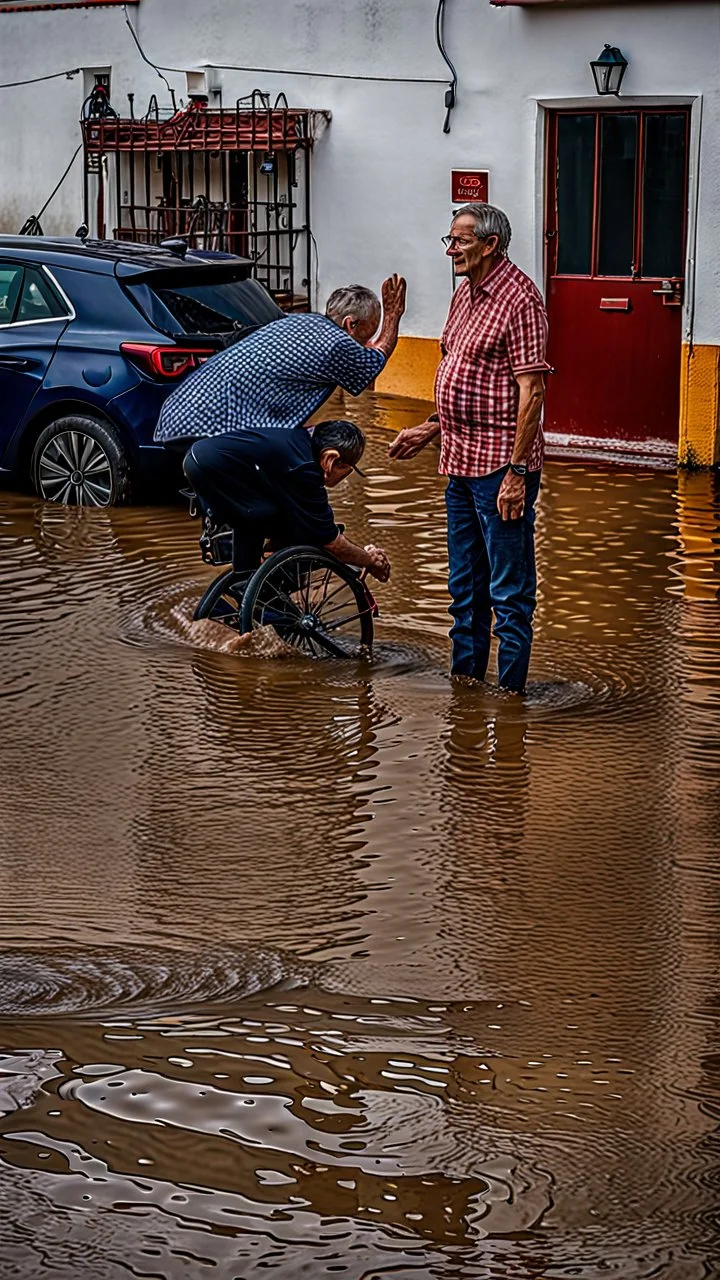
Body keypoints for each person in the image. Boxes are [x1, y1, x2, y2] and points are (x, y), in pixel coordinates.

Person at [388, 203, 551, 693]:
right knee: (465, 591)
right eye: (450, 240)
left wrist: (517, 475)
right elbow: (466, 375)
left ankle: (510, 702)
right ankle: (467, 698)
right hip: (459, 462)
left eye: (459, 240)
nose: (451, 249)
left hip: (501, 469)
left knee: (510, 595)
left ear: (490, 245)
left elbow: (533, 391)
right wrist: (431, 426)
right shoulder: (466, 295)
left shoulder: (522, 300)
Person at [154, 276, 407, 449]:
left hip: (178, 420)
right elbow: (372, 363)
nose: (365, 344)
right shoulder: (336, 343)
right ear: (350, 324)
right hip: (209, 429)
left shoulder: (297, 322)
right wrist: (393, 317)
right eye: (367, 335)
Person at [183, 419, 391, 591]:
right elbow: (330, 540)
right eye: (347, 469)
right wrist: (368, 560)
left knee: (281, 519)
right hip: (212, 467)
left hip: (203, 459)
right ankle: (248, 584)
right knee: (264, 516)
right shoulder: (305, 468)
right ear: (330, 460)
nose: (345, 478)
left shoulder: (299, 445)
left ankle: (251, 579)